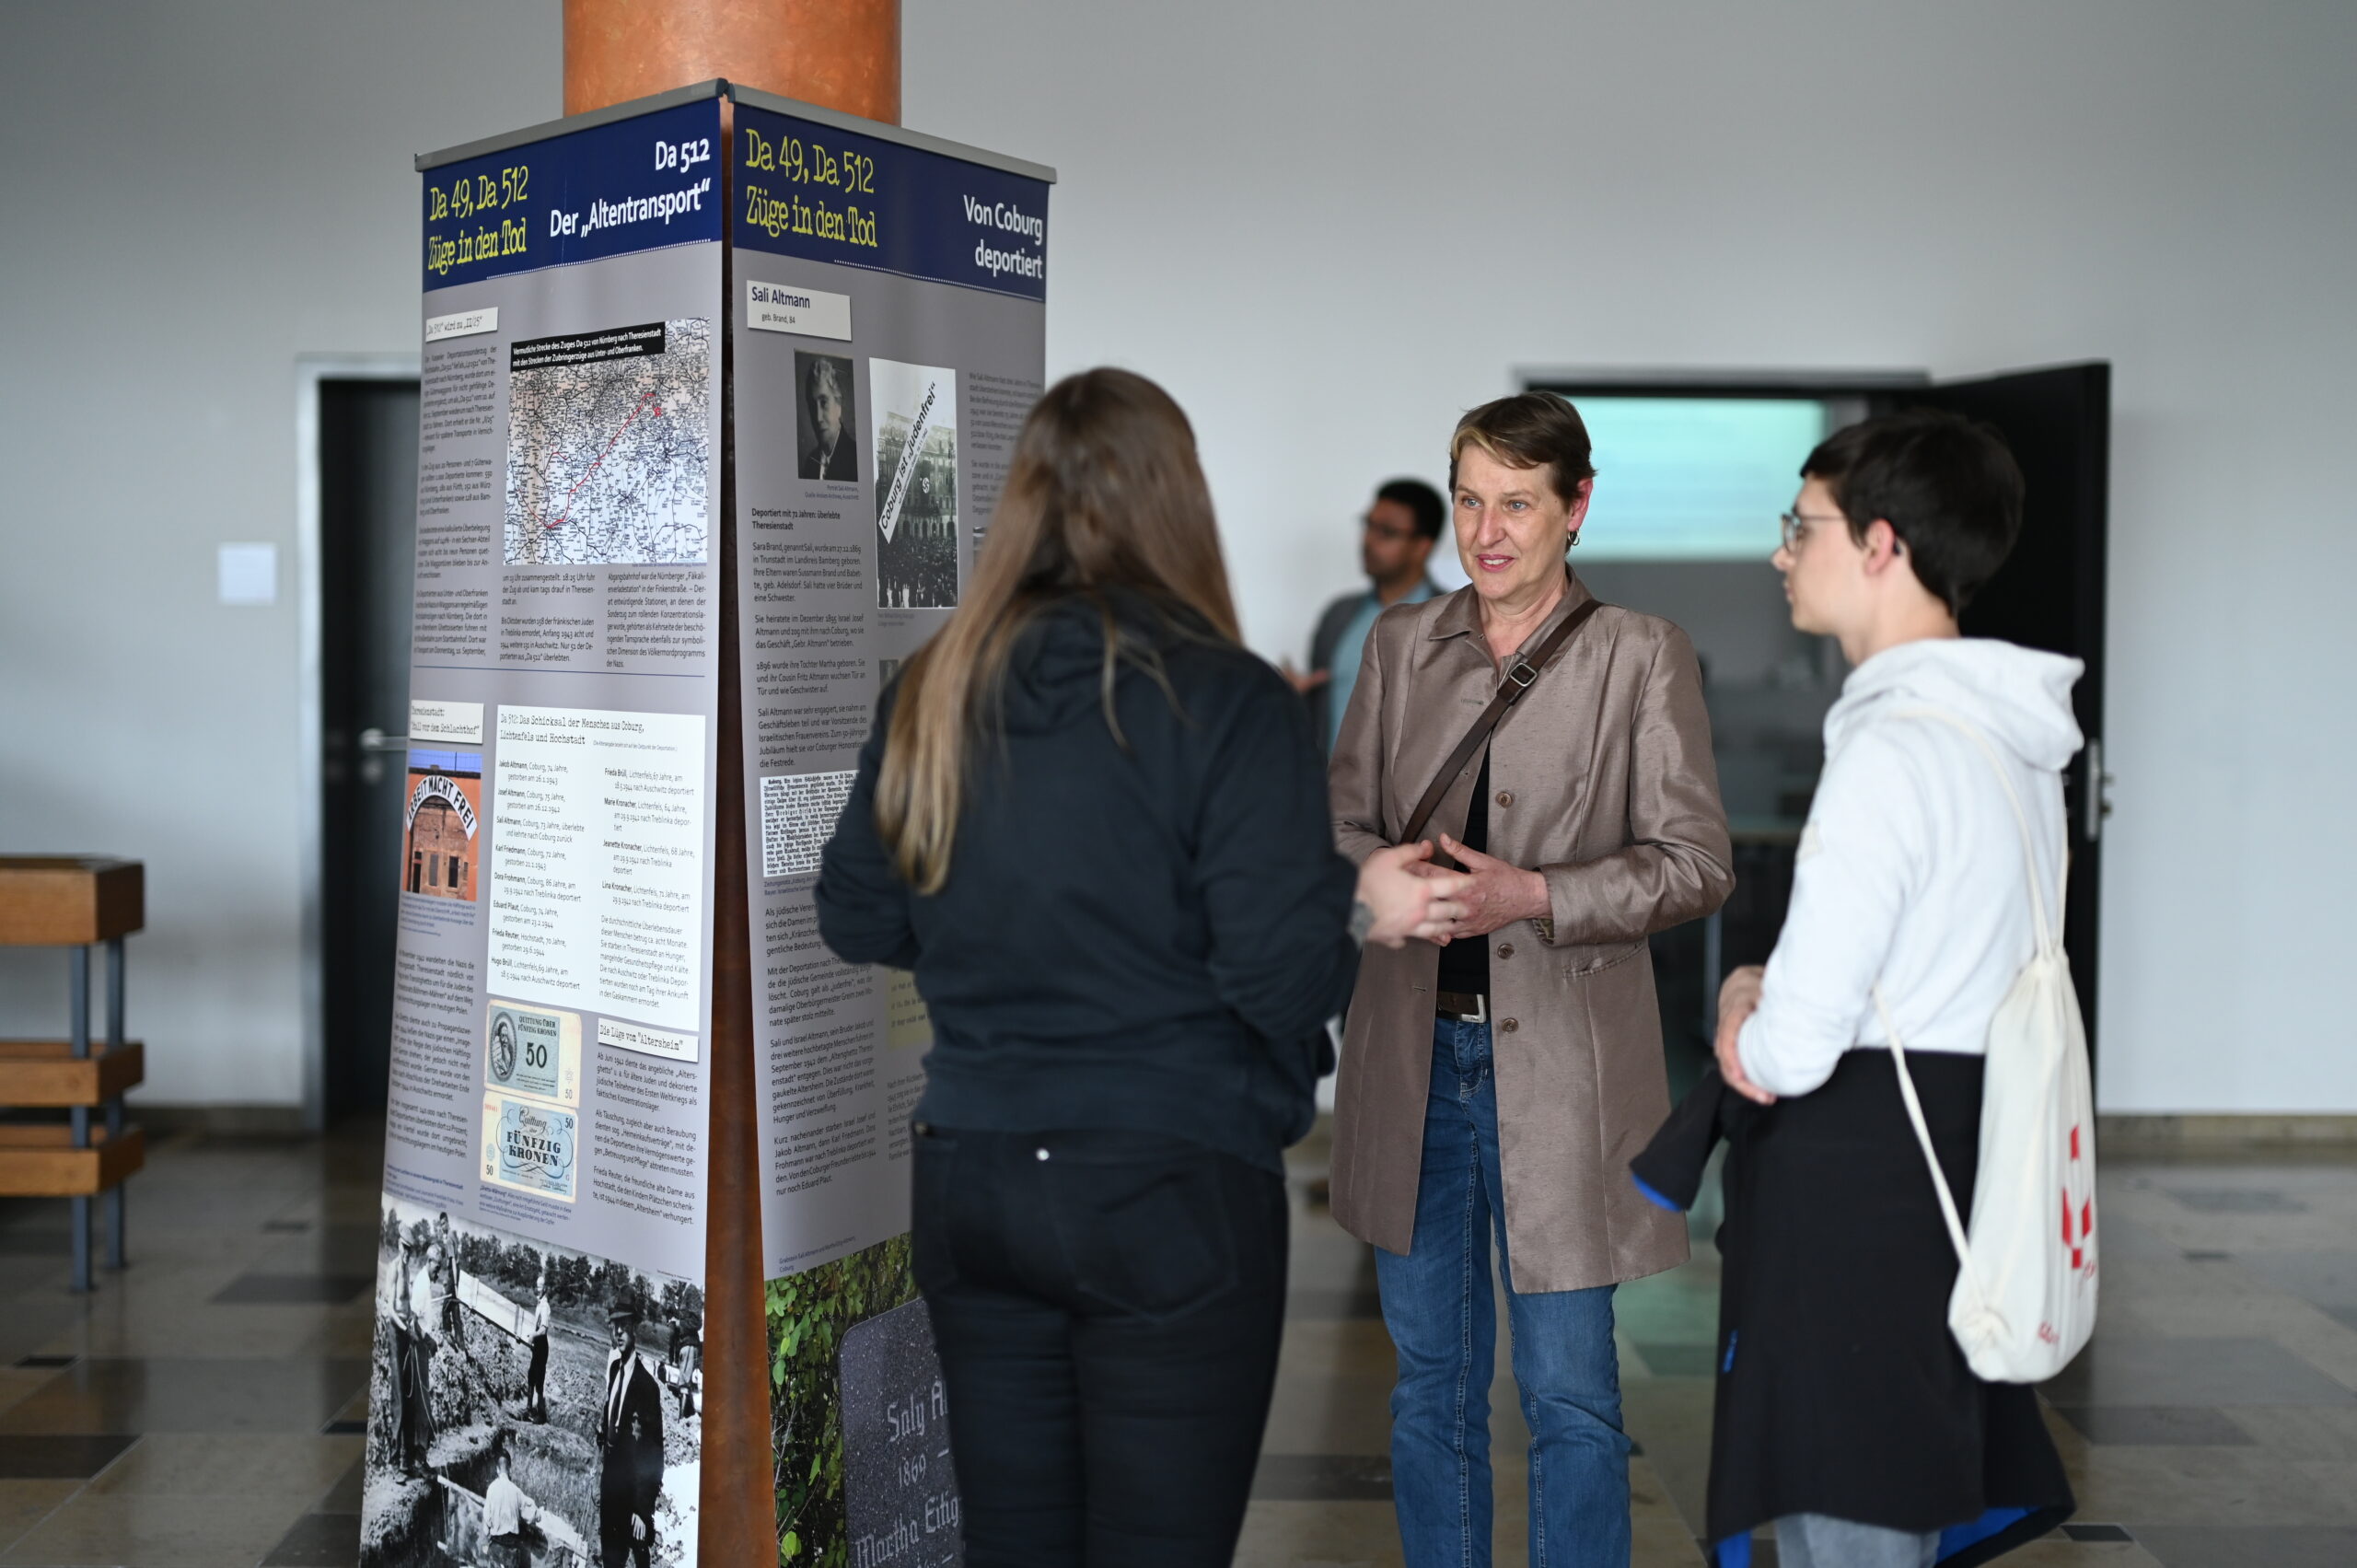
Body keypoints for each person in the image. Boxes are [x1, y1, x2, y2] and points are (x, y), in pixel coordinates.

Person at [814, 367, 1472, 1568]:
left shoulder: (933, 685)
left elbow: (858, 912)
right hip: (1168, 1185)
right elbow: (1279, 978)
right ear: (1181, 498)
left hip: (974, 1179)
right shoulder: (1226, 697)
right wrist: (1363, 907)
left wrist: (994, 948)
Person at [1638, 411, 2077, 1567]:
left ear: (1881, 543)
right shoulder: (2011, 738)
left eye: (1802, 526)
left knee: (1852, 1497)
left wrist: (1740, 998)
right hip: (1952, 1151)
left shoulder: (1890, 746)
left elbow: (1786, 1051)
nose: (1782, 552)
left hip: (1856, 1187)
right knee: (1901, 1478)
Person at [1329, 391, 1734, 1568]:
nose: (1485, 530)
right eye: (1468, 499)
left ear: (1576, 507)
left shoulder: (1637, 654)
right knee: (1428, 1388)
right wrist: (1376, 866)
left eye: (1516, 502)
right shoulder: (1402, 643)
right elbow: (1338, 822)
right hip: (1412, 1067)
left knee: (1569, 1396)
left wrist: (1540, 895)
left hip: (1562, 1077)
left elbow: (1695, 861)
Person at [1285, 478, 1446, 753]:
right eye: (1368, 525)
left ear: (1422, 546)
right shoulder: (1338, 616)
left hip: (1411, 794)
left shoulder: (1452, 621)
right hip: (1332, 790)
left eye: (1386, 532)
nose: (1368, 540)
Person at [597, 1307, 666, 1568]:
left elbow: (654, 1453)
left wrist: (642, 1508)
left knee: (638, 1559)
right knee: (610, 1559)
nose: (619, 1332)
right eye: (615, 1326)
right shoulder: (615, 1370)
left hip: (632, 1487)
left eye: (624, 1326)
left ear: (634, 1328)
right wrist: (604, 1430)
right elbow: (611, 1411)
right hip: (611, 1481)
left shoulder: (647, 1387)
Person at [387, 1234, 435, 1476]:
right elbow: (389, 1308)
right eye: (405, 1248)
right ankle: (395, 1461)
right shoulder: (394, 1269)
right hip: (397, 1334)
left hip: (407, 1335)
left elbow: (411, 1312)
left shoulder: (409, 1273)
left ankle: (408, 1459)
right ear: (398, 1244)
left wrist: (412, 1330)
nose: (407, 1253)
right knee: (399, 1397)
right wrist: (409, 1330)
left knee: (408, 1397)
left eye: (410, 1249)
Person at [481, 1441, 541, 1568]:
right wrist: (537, 1514)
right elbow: (531, 1515)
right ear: (509, 1468)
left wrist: (490, 1532)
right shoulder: (516, 1491)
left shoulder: (491, 1489)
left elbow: (486, 1524)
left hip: (496, 1548)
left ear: (497, 1469)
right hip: (512, 1551)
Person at [799, 354, 858, 482]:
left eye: (824, 402)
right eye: (812, 405)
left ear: (839, 403)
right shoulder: (810, 463)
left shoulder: (857, 459)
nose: (818, 418)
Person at [524, 1270, 552, 1423]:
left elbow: (543, 1329)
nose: (538, 1289)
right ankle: (528, 1409)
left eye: (540, 1287)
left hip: (542, 1346)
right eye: (537, 1286)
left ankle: (541, 1415)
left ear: (545, 1288)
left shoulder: (545, 1306)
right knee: (531, 1375)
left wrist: (533, 1336)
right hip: (537, 1345)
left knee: (538, 1379)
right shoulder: (539, 1304)